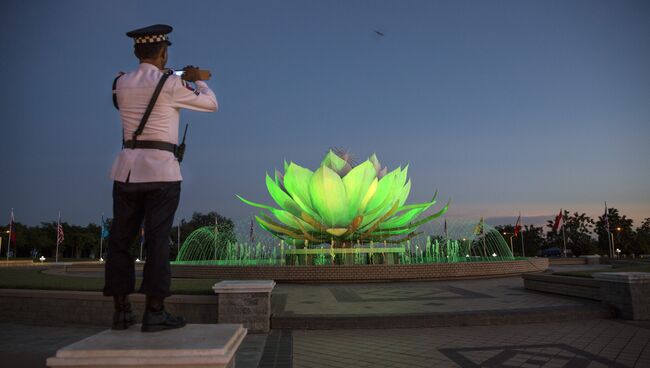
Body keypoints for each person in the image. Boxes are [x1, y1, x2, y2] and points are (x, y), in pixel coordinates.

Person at [104, 24, 218, 332]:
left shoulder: (120, 83)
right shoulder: (170, 83)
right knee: (157, 239)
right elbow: (211, 105)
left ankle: (121, 310)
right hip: (161, 171)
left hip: (126, 170)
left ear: (135, 51)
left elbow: (124, 101)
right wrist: (197, 81)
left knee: (120, 241)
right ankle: (154, 311)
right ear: (164, 53)